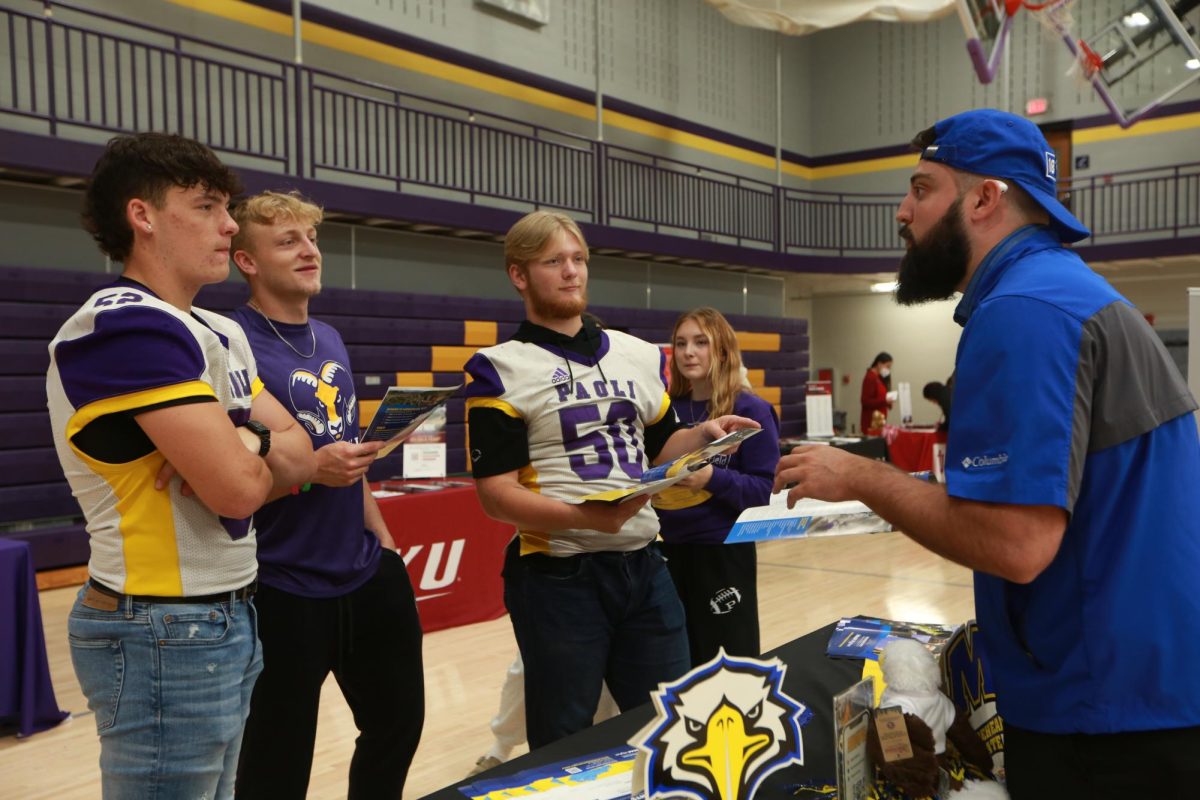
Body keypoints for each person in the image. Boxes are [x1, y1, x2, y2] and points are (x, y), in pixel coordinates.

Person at [775, 109, 1200, 797]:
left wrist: (862, 476)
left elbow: (1015, 542)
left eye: (921, 188)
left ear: (983, 198)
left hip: (1105, 718)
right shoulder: (1068, 294)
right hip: (1143, 688)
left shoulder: (1025, 311)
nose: (902, 211)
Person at [46, 133, 314, 799]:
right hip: (160, 626)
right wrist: (255, 449)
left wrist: (242, 439)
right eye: (206, 207)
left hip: (224, 615)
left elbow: (301, 451)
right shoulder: (125, 326)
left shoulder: (216, 332)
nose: (229, 225)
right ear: (143, 215)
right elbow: (238, 493)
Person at [464, 210, 758, 749]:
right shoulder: (498, 368)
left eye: (578, 260)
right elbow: (496, 496)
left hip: (645, 565)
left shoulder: (640, 355)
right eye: (553, 261)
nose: (571, 272)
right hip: (558, 577)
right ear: (519, 274)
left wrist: (701, 437)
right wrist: (584, 519)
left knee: (673, 727)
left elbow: (657, 453)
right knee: (565, 740)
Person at [228, 191, 424, 799]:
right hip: (282, 585)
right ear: (246, 262)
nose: (309, 251)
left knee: (398, 726)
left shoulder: (331, 337)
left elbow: (349, 456)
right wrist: (311, 471)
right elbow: (227, 476)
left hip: (365, 570)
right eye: (287, 241)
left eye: (312, 238)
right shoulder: (231, 344)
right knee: (277, 762)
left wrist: (385, 544)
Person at [652, 307, 780, 666]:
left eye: (700, 342)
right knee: (676, 665)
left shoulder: (750, 409)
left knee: (727, 663)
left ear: (722, 351)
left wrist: (710, 478)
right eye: (680, 343)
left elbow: (760, 491)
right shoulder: (664, 412)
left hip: (722, 554)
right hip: (664, 553)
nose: (687, 352)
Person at [860, 351, 894, 434]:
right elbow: (865, 401)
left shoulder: (879, 378)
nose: (888, 370)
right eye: (887, 367)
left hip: (879, 421)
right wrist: (884, 400)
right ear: (879, 364)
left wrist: (888, 402)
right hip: (872, 423)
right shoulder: (870, 377)